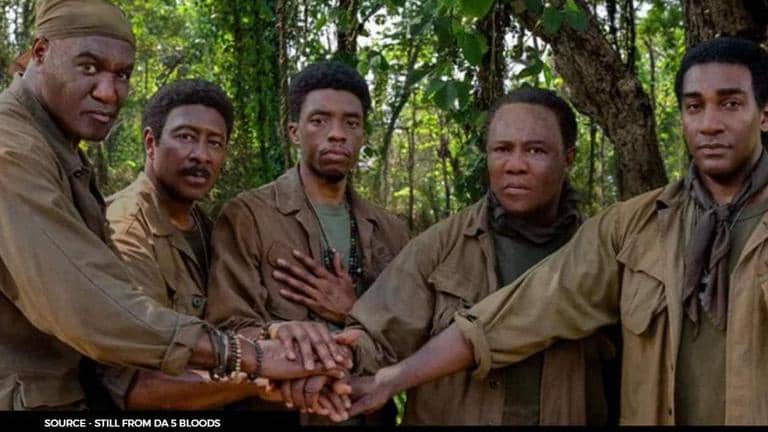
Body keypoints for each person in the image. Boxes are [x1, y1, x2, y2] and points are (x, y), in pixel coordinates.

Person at [346, 36, 768, 425]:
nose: (709, 124)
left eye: (730, 104)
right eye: (694, 107)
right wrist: (387, 378)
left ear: (764, 114)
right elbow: (513, 314)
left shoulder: (607, 232)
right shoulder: (633, 229)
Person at [0, 0, 348, 411]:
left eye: (122, 75)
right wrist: (251, 360)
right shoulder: (13, 151)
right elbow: (88, 308)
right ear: (41, 52)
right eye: (88, 67)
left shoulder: (59, 150)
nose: (109, 92)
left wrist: (280, 339)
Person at [327, 88, 617, 425]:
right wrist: (333, 359)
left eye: (535, 150)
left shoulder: (600, 253)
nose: (515, 166)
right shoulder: (442, 247)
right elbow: (375, 337)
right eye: (502, 149)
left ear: (569, 157)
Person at [205, 61, 409, 423]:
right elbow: (226, 328)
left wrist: (353, 309)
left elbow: (411, 334)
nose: (337, 134)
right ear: (294, 132)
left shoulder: (390, 230)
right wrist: (285, 341)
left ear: (363, 135)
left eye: (351, 123)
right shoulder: (248, 216)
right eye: (320, 120)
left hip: (367, 414)